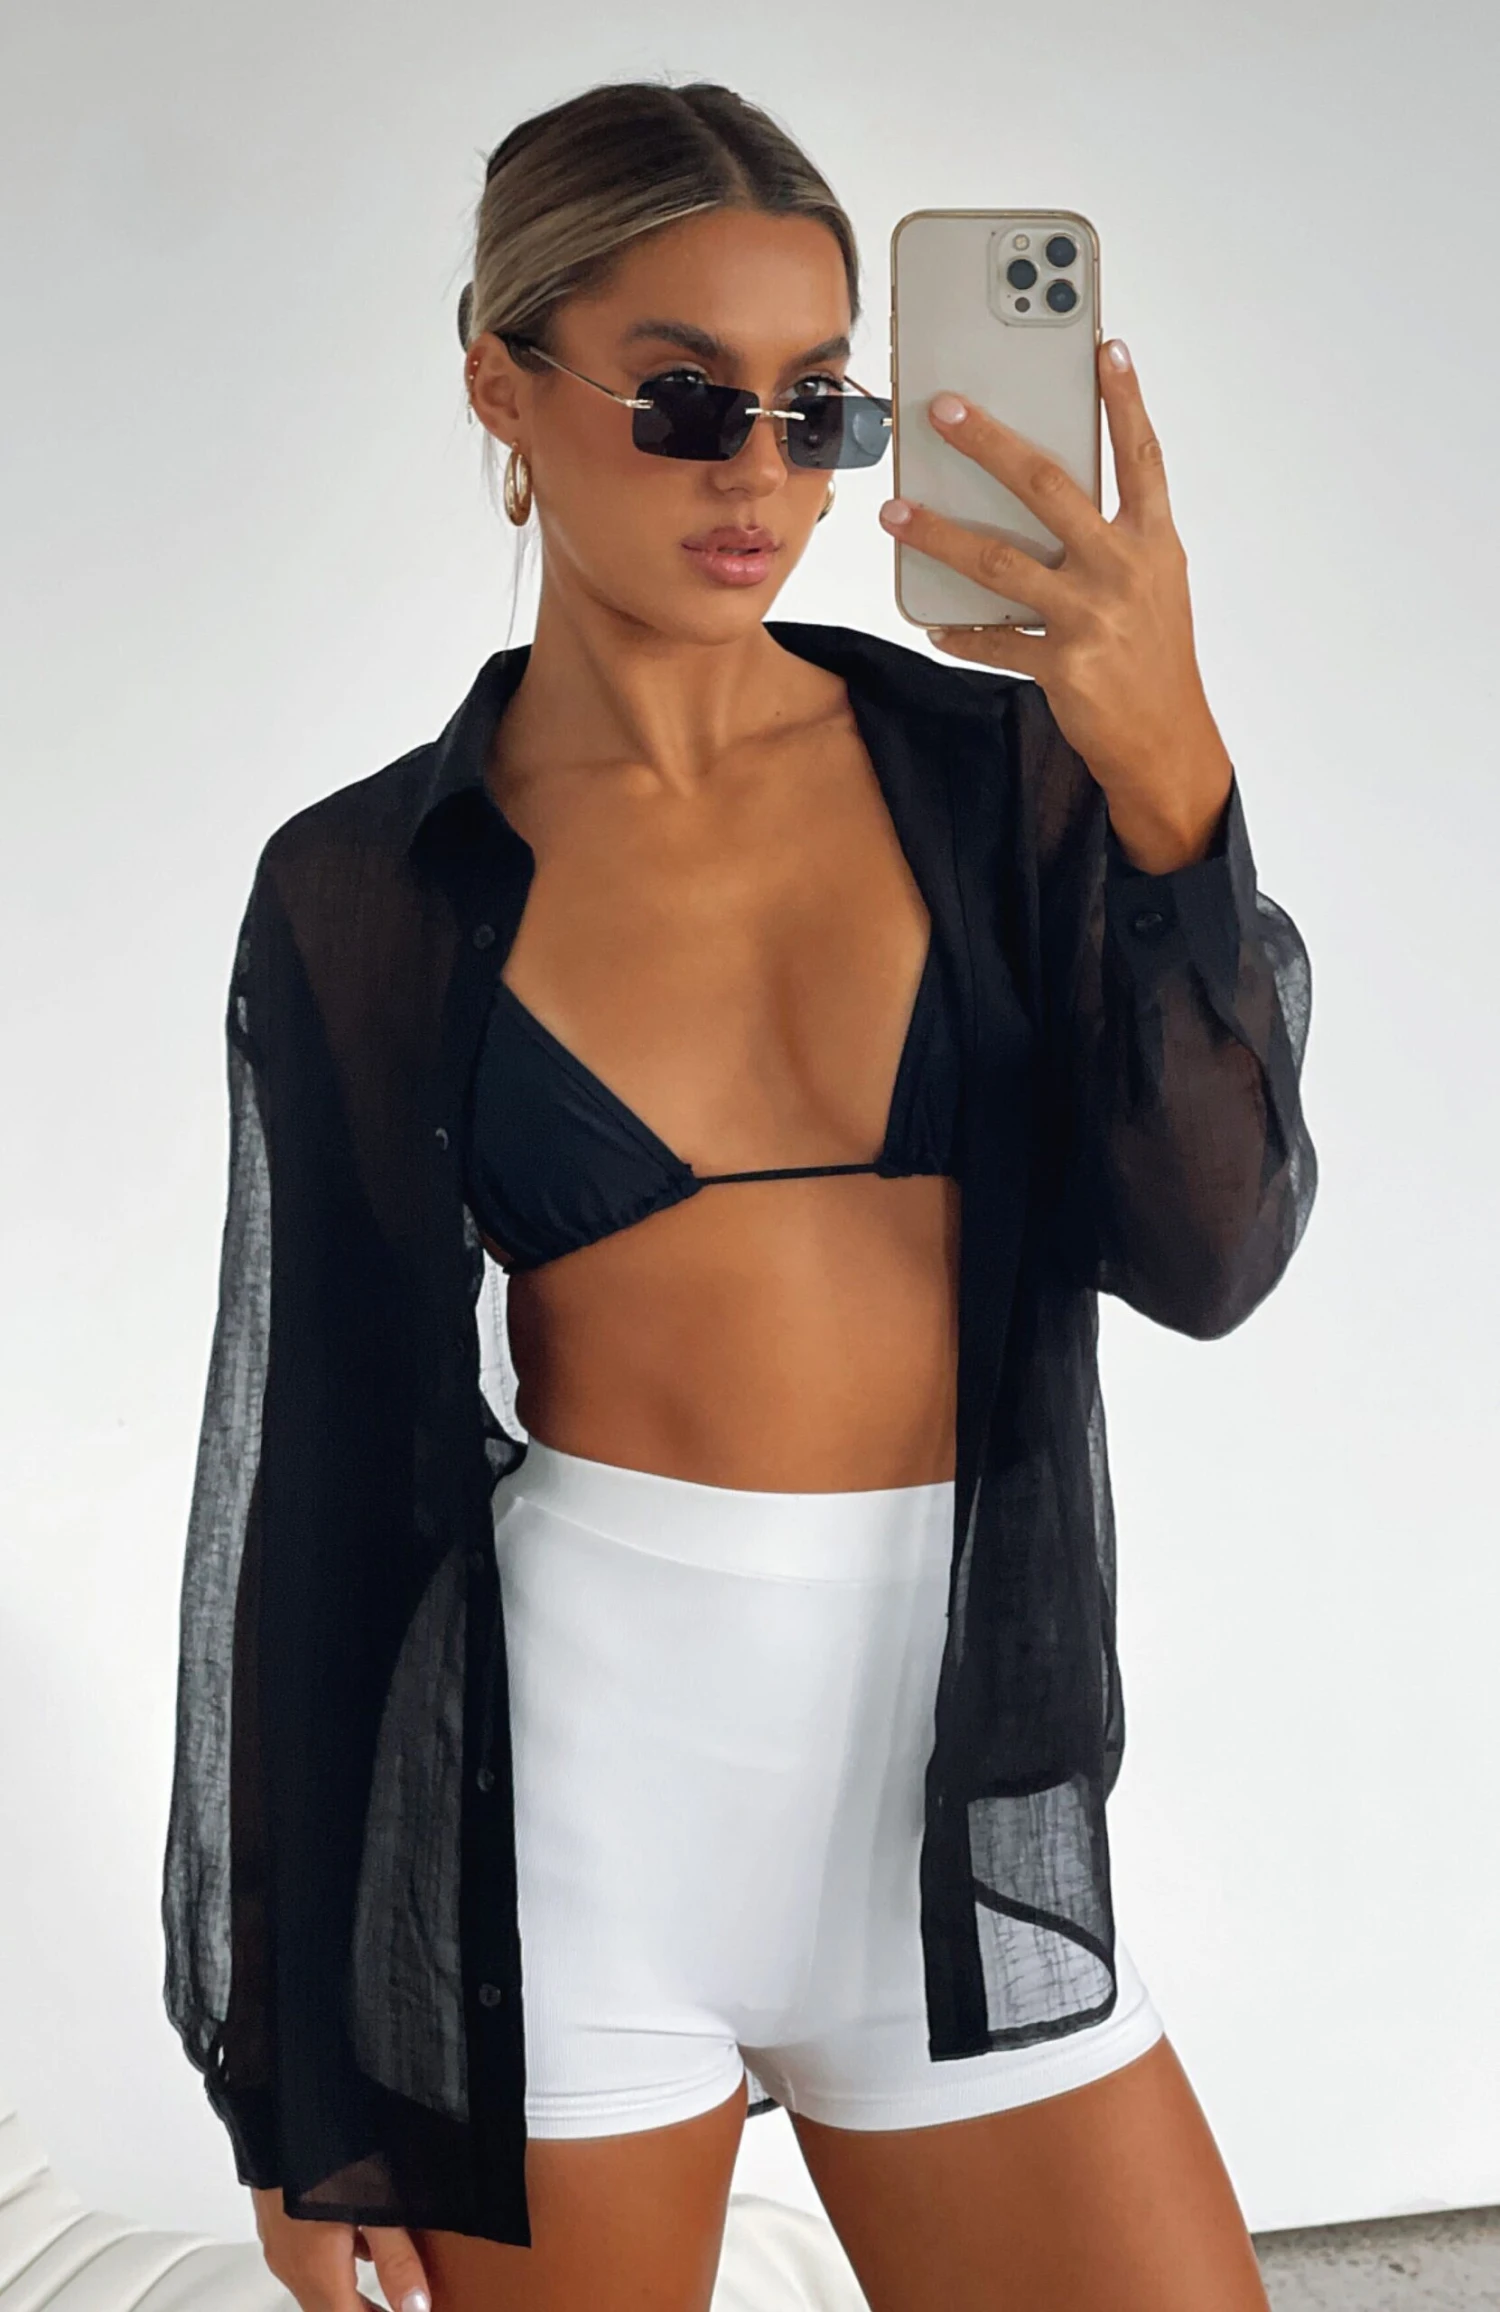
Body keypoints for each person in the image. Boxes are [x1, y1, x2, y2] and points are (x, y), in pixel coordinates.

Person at [161, 76, 1316, 2312]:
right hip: (564, 1823)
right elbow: (318, 1481)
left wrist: (1170, 769)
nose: (759, 477)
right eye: (687, 399)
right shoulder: (367, 886)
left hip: (951, 1808)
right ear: (503, 387)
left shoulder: (1002, 782)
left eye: (819, 411)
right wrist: (305, 2080)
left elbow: (1215, 1249)